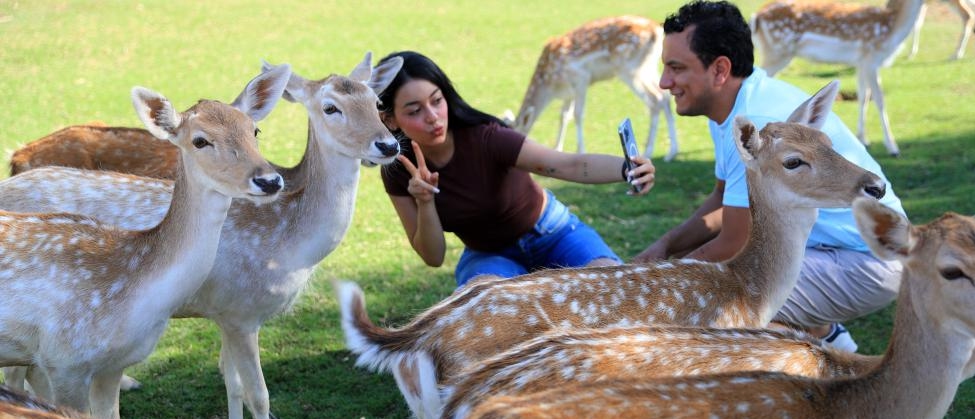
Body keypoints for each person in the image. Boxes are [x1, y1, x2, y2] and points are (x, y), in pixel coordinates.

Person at [634, 0, 907, 352]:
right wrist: (663, 249)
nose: (664, 82)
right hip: (833, 249)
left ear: (719, 70)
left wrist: (651, 286)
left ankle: (831, 376)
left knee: (721, 305)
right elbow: (723, 201)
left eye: (676, 68)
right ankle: (831, 342)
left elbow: (732, 242)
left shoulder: (758, 121)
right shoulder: (738, 104)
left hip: (867, 259)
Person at [376, 51, 656, 288]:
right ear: (390, 120)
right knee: (482, 312)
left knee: (613, 289)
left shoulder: (487, 137)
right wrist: (425, 203)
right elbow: (433, 256)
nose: (433, 117)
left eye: (437, 101)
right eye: (414, 111)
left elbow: (566, 164)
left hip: (554, 234)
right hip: (489, 255)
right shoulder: (398, 170)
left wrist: (627, 168)